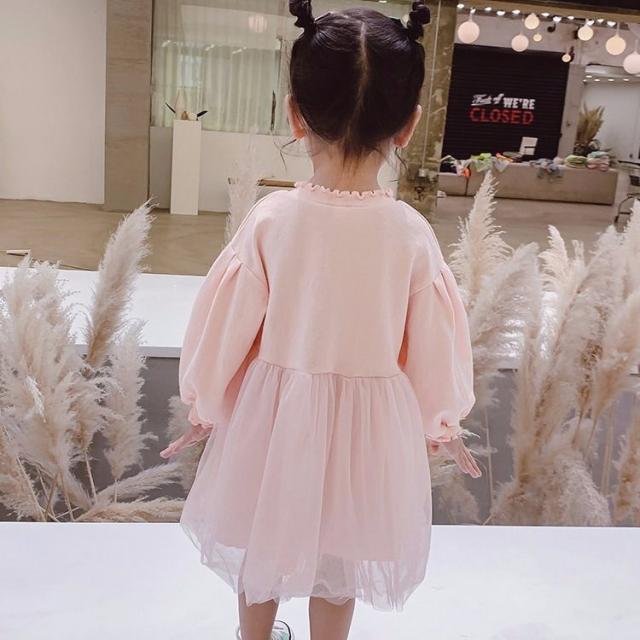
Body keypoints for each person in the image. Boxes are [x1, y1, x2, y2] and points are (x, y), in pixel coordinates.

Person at [160, 1, 482, 638]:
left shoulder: (273, 220)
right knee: (341, 559)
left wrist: (206, 397)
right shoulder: (410, 234)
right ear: (409, 125)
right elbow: (432, 343)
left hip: (275, 418)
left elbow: (227, 325)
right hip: (369, 429)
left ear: (294, 114)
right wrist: (440, 417)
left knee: (261, 540)